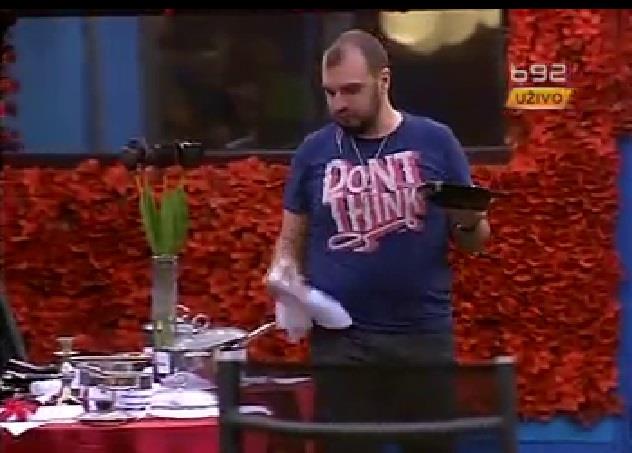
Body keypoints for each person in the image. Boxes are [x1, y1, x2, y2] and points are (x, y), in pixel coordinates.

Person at [267, 29, 491, 453]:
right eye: (330, 93)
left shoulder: (435, 142)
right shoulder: (313, 152)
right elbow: (290, 239)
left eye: (351, 90)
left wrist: (468, 222)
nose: (339, 104)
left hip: (421, 338)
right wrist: (285, 280)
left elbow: (475, 242)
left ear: (384, 80)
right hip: (342, 343)